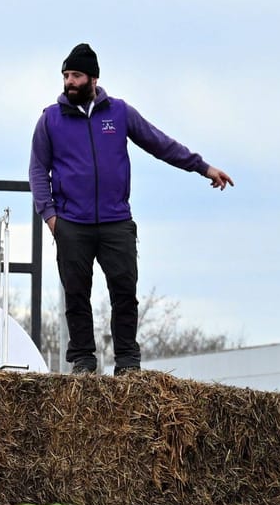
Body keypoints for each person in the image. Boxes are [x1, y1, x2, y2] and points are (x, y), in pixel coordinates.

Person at [29, 43, 234, 374]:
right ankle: (83, 360)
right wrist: (51, 217)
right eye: (66, 75)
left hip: (116, 221)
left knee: (124, 293)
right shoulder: (50, 120)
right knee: (76, 296)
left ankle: (127, 362)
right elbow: (38, 170)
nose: (69, 81)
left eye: (76, 75)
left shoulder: (120, 113)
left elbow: (159, 143)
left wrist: (203, 167)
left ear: (93, 78)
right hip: (72, 223)